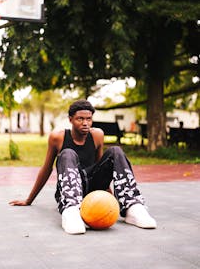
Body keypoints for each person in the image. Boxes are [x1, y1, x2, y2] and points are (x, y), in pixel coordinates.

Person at [9, 99, 157, 234]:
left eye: (89, 119)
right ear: (70, 119)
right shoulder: (58, 137)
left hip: (91, 188)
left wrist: (109, 196)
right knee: (67, 153)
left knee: (115, 151)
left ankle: (132, 207)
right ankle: (71, 211)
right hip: (70, 189)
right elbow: (47, 169)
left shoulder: (97, 135)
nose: (85, 123)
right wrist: (29, 200)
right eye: (80, 119)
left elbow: (103, 167)